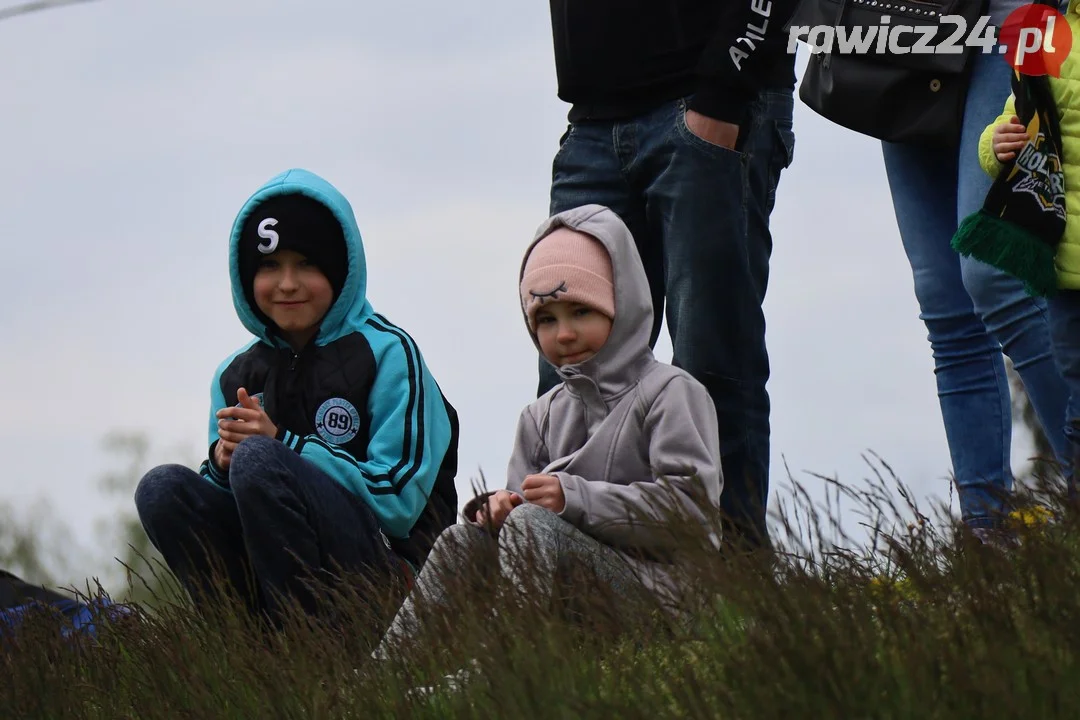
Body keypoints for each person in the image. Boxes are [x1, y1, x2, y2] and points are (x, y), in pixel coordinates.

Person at [372, 204, 723, 661]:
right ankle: (379, 682)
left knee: (535, 521)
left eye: (581, 310)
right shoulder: (537, 417)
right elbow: (521, 525)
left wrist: (574, 499)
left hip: (660, 604)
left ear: (623, 299)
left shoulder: (671, 392)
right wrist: (497, 510)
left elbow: (693, 516)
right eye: (546, 319)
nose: (565, 333)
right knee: (462, 539)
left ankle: (504, 670)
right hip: (570, 604)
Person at [134, 168, 460, 626]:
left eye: (306, 263)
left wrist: (283, 447)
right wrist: (222, 465)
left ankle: (314, 649)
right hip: (275, 580)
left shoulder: (389, 353)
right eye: (269, 266)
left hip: (387, 577)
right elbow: (225, 503)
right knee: (162, 488)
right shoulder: (234, 375)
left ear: (341, 270)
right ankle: (246, 647)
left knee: (260, 460)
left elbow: (399, 505)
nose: (287, 284)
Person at [540, 0, 802, 550]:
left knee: (711, 367)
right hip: (592, 119)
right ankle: (578, 602)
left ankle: (734, 596)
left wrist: (723, 91)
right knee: (571, 371)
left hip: (708, 99)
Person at [879, 0, 1071, 538]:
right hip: (905, 31)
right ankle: (989, 543)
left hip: (1006, 20)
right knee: (944, 303)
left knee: (994, 274)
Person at [981, 1, 1080, 497]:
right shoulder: (1045, 34)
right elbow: (1013, 117)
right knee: (1077, 398)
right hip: (1065, 272)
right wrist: (996, 144)